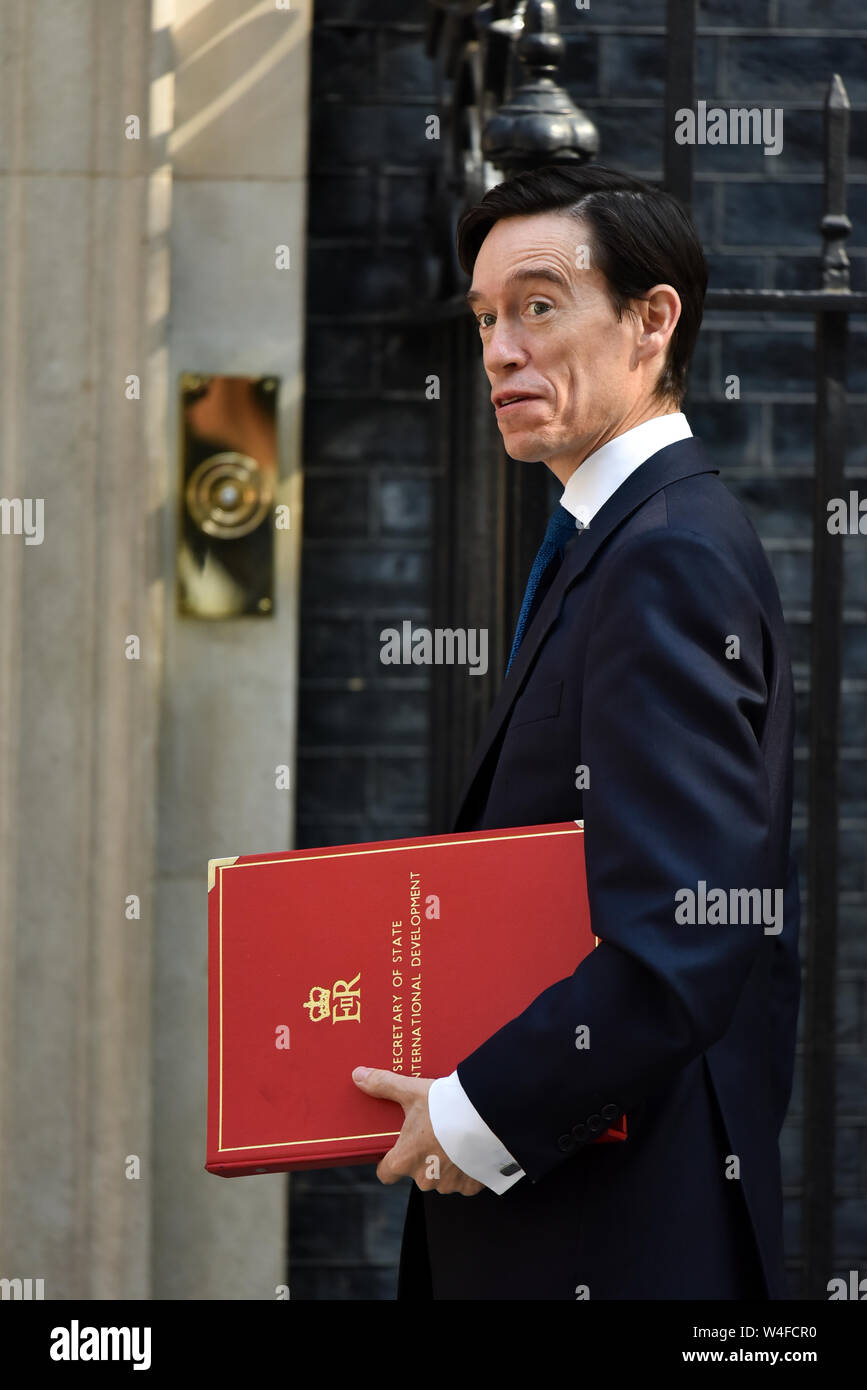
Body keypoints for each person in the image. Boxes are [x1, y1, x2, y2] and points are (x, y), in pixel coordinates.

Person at [351, 163, 800, 1300]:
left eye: (540, 306)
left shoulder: (667, 555)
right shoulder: (618, 538)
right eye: (488, 317)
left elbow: (685, 937)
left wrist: (475, 1112)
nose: (501, 349)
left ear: (652, 322)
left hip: (622, 1231)